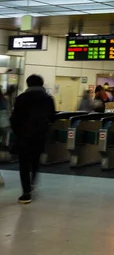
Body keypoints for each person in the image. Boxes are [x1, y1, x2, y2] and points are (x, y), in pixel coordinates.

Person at [10, 75, 56, 204]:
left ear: (28, 84)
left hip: (24, 135)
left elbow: (14, 118)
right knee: (35, 160)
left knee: (23, 163)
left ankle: (26, 192)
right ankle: (32, 181)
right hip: (40, 135)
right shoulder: (48, 99)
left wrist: (18, 132)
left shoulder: (21, 98)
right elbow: (52, 117)